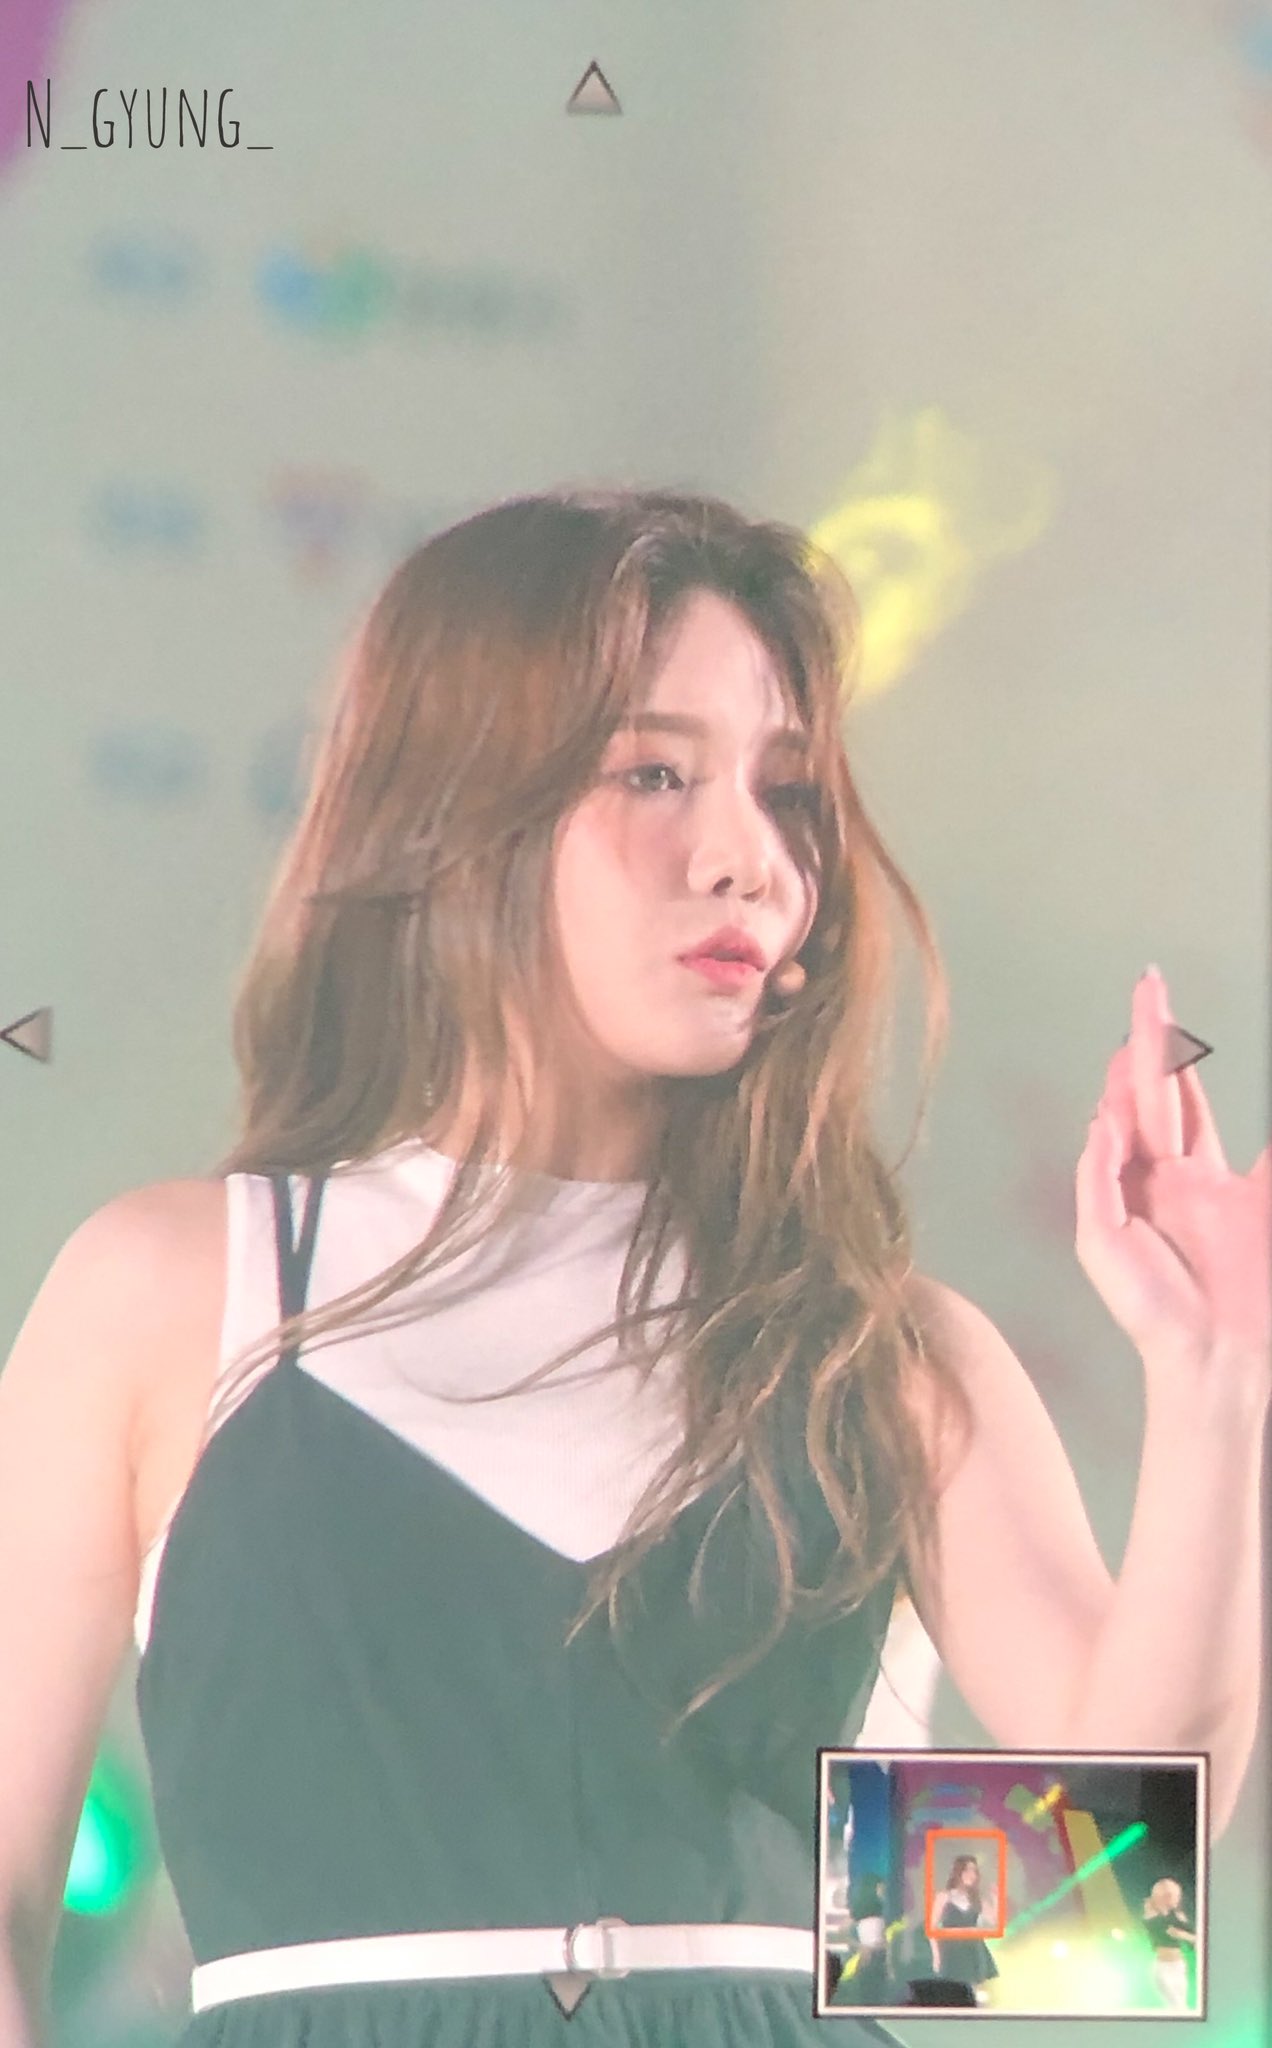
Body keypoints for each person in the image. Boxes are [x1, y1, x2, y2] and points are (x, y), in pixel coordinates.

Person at [0, 486, 1267, 2048]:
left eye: (787, 793)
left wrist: (1214, 1379)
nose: (751, 859)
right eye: (655, 772)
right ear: (454, 806)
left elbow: (1110, 1900)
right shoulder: (181, 1292)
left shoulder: (873, 1355)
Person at [929, 1855, 1000, 2005]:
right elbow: (932, 1927)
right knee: (952, 1991)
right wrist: (936, 1955)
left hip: (973, 1948)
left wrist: (996, 1898)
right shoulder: (944, 1897)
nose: (972, 1875)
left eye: (974, 1871)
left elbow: (994, 1921)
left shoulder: (977, 1899)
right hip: (951, 1949)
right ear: (959, 1872)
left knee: (976, 1991)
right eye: (968, 1870)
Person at [1142, 1877, 1196, 2012]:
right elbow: (1157, 1925)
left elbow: (1196, 1938)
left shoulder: (1178, 1916)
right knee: (1176, 2005)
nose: (1175, 1899)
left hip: (1179, 1965)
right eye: (1169, 1895)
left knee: (1182, 2005)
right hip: (1163, 1967)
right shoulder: (1151, 1915)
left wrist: (1183, 1935)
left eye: (1176, 1895)